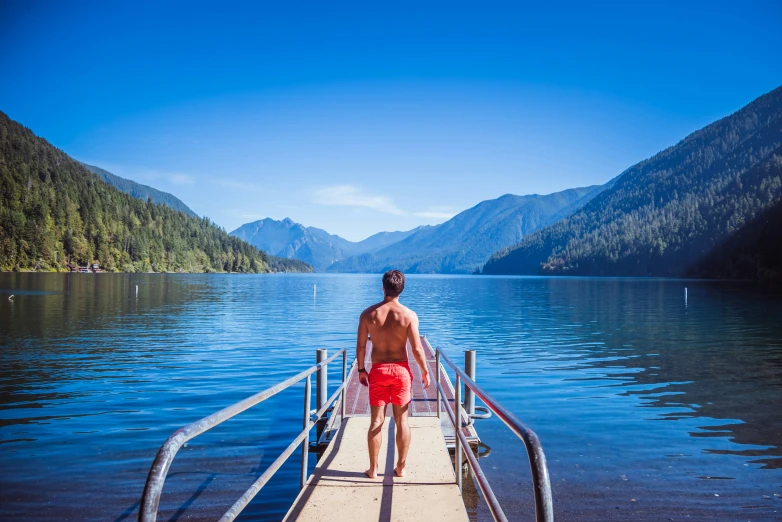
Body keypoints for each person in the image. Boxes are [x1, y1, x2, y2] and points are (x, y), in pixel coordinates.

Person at [356, 270, 430, 479]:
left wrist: (362, 370)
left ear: (383, 287)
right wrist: (425, 371)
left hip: (378, 371)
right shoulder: (409, 315)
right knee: (402, 422)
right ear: (402, 289)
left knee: (376, 421)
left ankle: (373, 469)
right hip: (401, 371)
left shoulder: (368, 314)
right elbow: (417, 348)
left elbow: (361, 346)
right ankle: (401, 467)